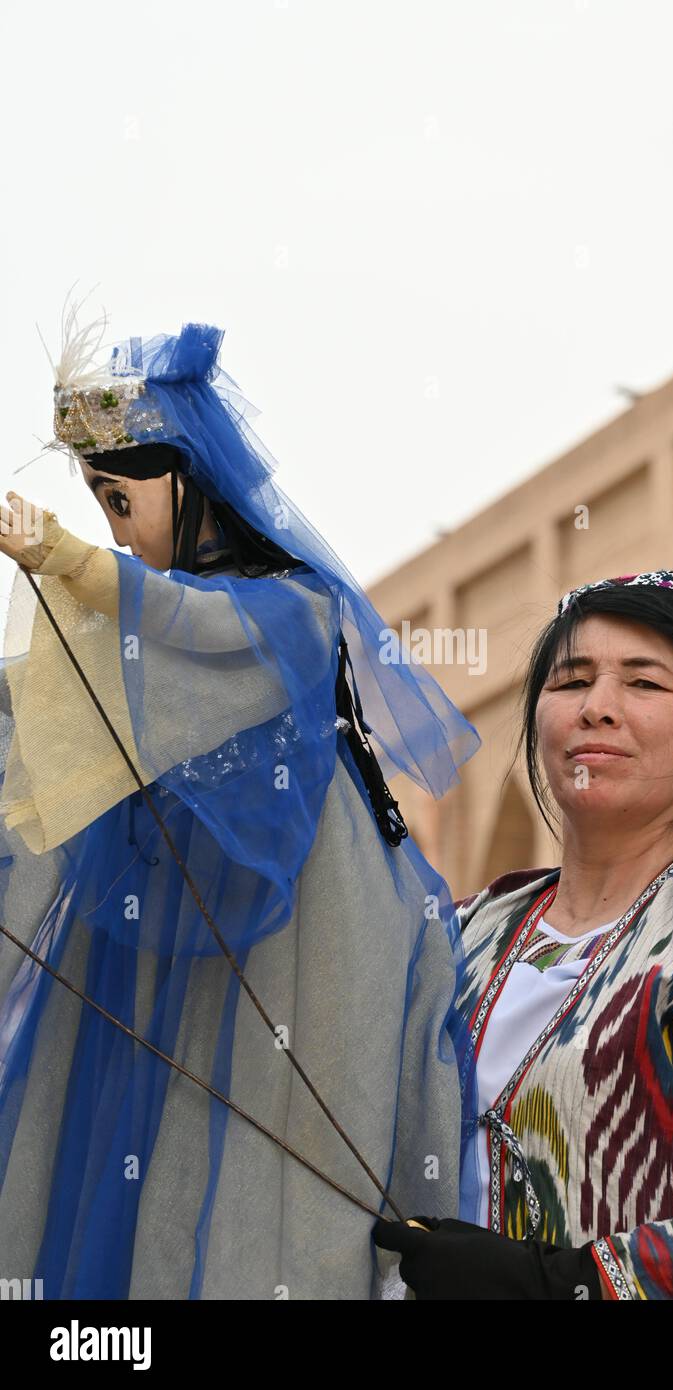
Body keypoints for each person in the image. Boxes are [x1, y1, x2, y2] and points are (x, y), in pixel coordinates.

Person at [0, 300, 481, 1299]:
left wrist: (61, 558)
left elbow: (196, 626)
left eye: (120, 503)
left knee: (283, 1202)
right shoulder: (149, 617)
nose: (116, 536)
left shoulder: (291, 607)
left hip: (311, 944)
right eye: (96, 511)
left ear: (184, 480)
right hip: (191, 942)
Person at [374, 569, 673, 1300]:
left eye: (644, 684)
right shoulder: (462, 934)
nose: (598, 709)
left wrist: (556, 1286)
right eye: (571, 681)